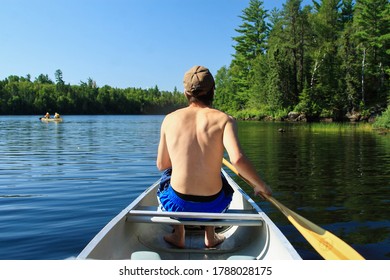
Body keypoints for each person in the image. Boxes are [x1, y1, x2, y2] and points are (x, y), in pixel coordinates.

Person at [156, 65, 272, 249]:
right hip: (213, 206)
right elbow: (238, 160)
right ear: (212, 91)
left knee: (168, 176)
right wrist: (260, 185)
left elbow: (162, 164)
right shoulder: (224, 119)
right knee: (221, 177)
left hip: (178, 205)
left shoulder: (169, 119)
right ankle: (210, 235)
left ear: (186, 92)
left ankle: (179, 234)